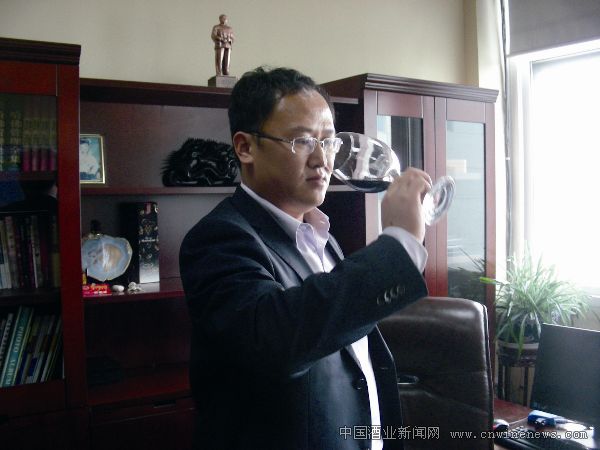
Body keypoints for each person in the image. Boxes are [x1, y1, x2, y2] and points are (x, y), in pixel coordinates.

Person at [179, 67, 432, 450]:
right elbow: (277, 342)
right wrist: (396, 246)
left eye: (328, 142)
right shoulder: (217, 240)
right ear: (245, 147)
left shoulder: (322, 236)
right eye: (302, 140)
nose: (321, 159)